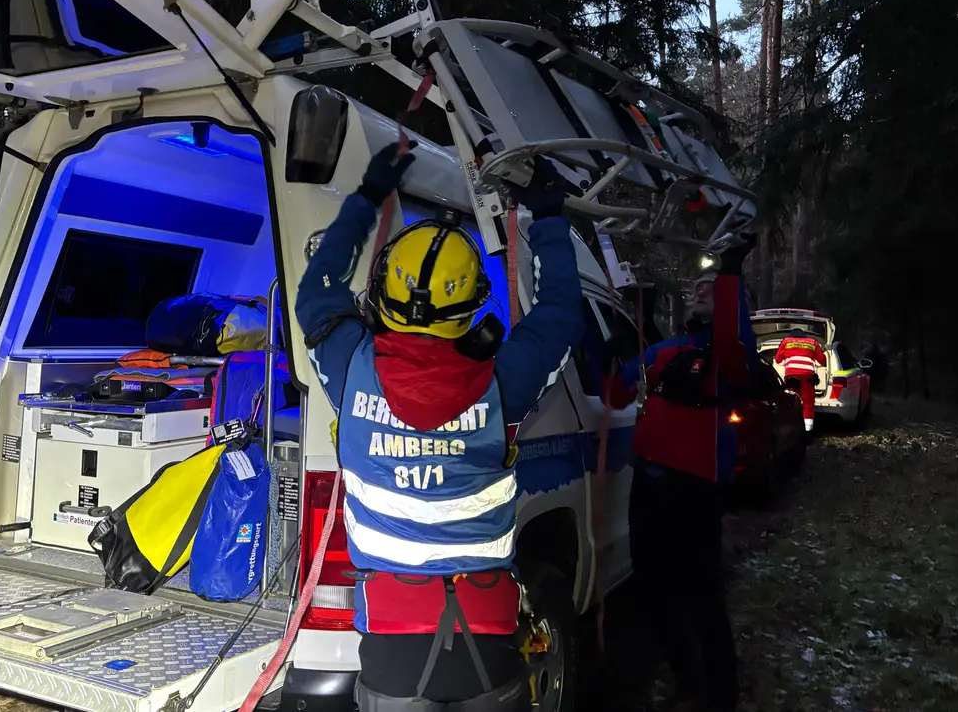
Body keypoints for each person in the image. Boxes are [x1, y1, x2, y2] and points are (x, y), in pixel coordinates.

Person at [295, 144, 584, 712]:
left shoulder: (348, 365)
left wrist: (367, 196)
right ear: (475, 307)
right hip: (489, 632)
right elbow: (560, 315)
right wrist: (548, 218)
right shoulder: (504, 382)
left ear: (383, 295)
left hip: (391, 644)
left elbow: (318, 287)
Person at [615, 239, 758, 712]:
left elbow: (735, 342)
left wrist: (731, 270)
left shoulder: (728, 360)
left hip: (695, 488)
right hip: (649, 486)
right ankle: (688, 682)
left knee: (703, 599)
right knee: (656, 593)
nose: (701, 291)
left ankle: (721, 697)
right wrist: (624, 338)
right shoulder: (666, 350)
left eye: (710, 289)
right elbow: (615, 390)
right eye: (698, 287)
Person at [774, 326, 828, 432]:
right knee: (808, 404)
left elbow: (777, 360)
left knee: (791, 402)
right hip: (808, 377)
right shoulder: (812, 342)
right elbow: (822, 360)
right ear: (805, 336)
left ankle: (791, 430)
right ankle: (808, 431)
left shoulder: (786, 342)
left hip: (791, 377)